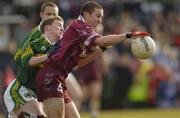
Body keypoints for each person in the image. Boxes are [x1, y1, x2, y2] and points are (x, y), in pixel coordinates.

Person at [35, 1, 150, 118]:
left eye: (101, 17)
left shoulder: (82, 33)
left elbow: (79, 63)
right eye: (98, 16)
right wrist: (129, 35)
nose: (100, 20)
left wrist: (102, 48)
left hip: (59, 78)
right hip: (50, 77)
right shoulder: (79, 26)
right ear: (86, 15)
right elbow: (102, 41)